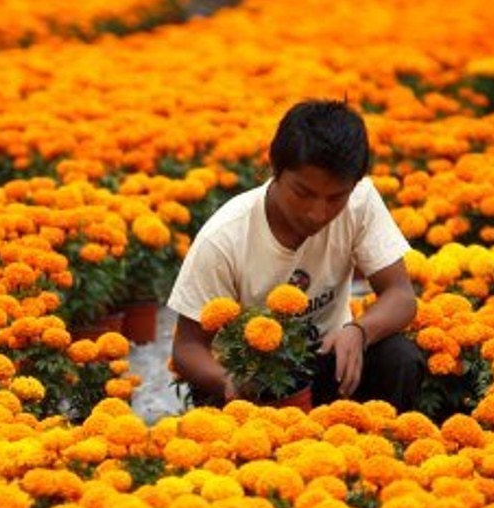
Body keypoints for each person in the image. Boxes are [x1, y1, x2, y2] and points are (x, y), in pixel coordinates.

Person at [167, 98, 424, 412]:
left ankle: (380, 452)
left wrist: (359, 331)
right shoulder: (225, 238)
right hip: (252, 377)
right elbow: (187, 347)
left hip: (329, 363)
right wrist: (229, 383)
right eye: (303, 193)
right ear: (275, 169)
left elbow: (401, 295)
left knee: (399, 358)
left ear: (353, 186)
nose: (318, 213)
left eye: (335, 198)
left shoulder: (361, 202)